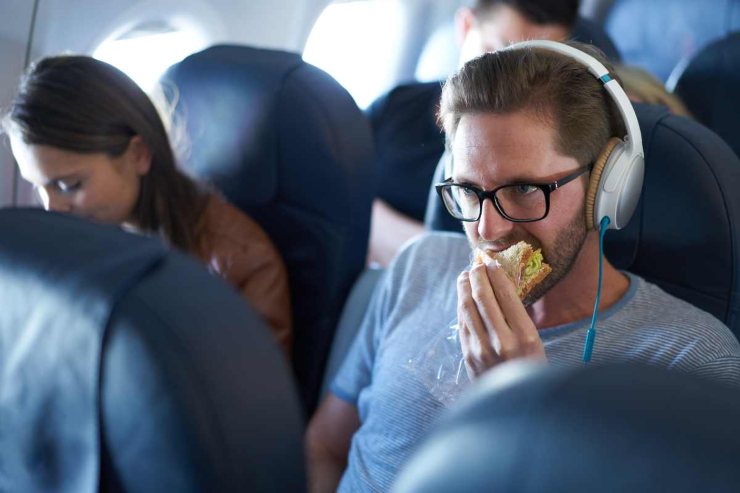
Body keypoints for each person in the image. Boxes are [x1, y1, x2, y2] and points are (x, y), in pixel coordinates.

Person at [306, 41, 740, 493]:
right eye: (470, 191)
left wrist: (523, 399)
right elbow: (325, 448)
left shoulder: (694, 361)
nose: (487, 228)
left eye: (525, 190)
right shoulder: (418, 266)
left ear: (606, 187)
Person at [3, 55, 293, 357]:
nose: (51, 208)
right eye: (39, 186)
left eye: (68, 186)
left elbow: (248, 395)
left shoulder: (243, 263)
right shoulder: (79, 238)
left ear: (138, 155)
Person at [367, 0, 585, 267]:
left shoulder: (552, 158)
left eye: (542, 67)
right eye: (499, 55)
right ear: (466, 27)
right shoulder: (393, 107)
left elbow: (490, 266)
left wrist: (373, 221)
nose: (514, 83)